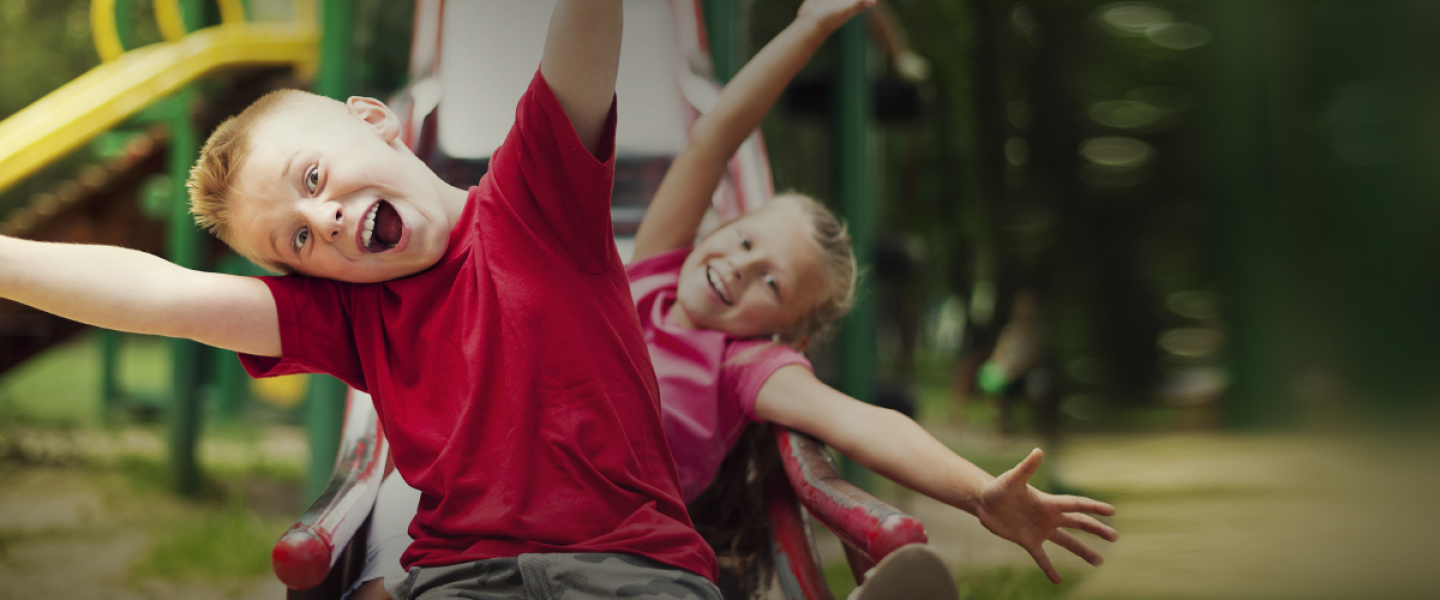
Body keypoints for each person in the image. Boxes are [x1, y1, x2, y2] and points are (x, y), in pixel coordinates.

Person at [350, 1, 1118, 599]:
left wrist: (980, 491)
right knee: (402, 538)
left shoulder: (748, 367)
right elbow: (717, 134)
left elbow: (863, 421)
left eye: (772, 285)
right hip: (501, 516)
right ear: (722, 222)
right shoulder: (649, 273)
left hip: (622, 551)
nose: (742, 269)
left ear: (785, 331)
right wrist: (809, 26)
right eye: (747, 241)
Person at [0, 2, 723, 599]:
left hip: (632, 568)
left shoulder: (538, 199)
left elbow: (586, 31)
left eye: (312, 178)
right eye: (298, 241)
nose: (323, 221)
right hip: (464, 580)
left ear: (375, 120)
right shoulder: (351, 316)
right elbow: (163, 296)